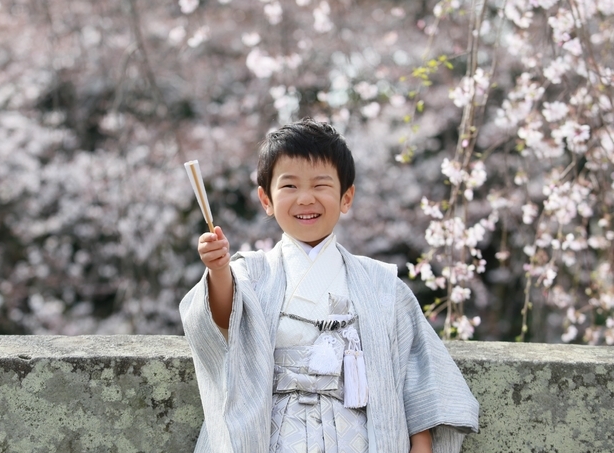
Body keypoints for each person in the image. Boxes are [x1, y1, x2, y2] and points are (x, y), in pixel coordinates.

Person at [180, 118, 479, 453]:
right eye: (289, 186)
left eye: (321, 185)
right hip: (271, 434)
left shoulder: (380, 283)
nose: (305, 198)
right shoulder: (251, 272)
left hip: (358, 436)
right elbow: (222, 320)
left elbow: (415, 371)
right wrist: (219, 270)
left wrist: (420, 444)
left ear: (346, 197)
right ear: (266, 199)